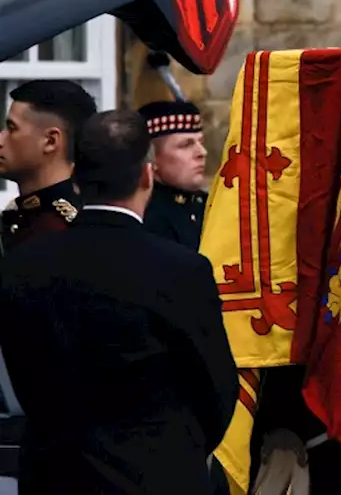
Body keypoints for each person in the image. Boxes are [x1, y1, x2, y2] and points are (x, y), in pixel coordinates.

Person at [0, 109, 238, 494]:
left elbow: (25, 376)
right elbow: (217, 387)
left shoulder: (22, 265)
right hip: (158, 473)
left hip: (56, 475)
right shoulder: (181, 270)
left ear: (75, 181)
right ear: (147, 175)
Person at [0, 79, 97, 254]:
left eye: (12, 128)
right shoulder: (18, 216)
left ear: (50, 141)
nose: (1, 140)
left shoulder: (68, 231)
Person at [138, 99, 209, 250]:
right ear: (152, 158)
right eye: (186, 145)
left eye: (201, 143)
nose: (202, 152)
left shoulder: (210, 205)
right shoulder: (146, 215)